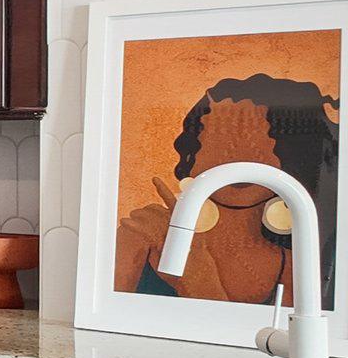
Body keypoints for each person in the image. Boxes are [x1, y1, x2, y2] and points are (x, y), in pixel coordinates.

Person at [114, 73, 339, 306]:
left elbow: (270, 338)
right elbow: (108, 317)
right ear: (192, 153)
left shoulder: (295, 264)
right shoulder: (148, 233)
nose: (236, 156)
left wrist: (200, 283)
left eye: (257, 141)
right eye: (221, 137)